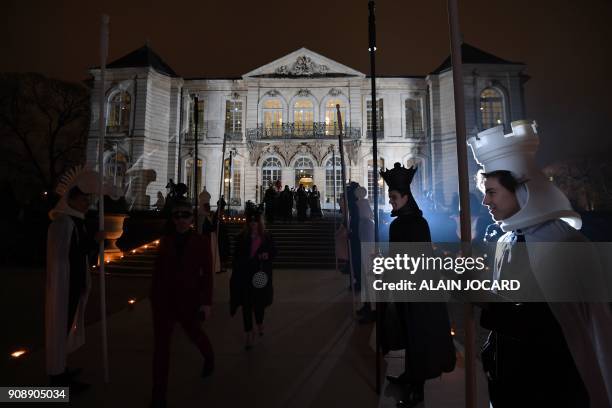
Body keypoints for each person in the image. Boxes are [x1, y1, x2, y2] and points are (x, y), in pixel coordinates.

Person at [468, 121, 612, 407]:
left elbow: (548, 327)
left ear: (522, 191)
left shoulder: (566, 246)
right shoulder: (506, 242)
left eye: (492, 192)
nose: (484, 201)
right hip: (510, 382)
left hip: (551, 387)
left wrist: (484, 299)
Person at [379, 163, 456, 408]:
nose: (391, 202)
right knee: (408, 333)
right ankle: (409, 375)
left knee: (418, 335)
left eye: (393, 198)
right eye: (390, 197)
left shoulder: (415, 224)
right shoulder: (400, 223)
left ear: (405, 197)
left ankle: (417, 389)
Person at [150, 200, 214, 408]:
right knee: (161, 349)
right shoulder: (165, 241)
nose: (180, 220)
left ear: (191, 219)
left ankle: (209, 356)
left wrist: (206, 302)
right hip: (164, 301)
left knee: (195, 334)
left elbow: (207, 275)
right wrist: (154, 297)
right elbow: (158, 273)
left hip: (189, 299)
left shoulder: (201, 241)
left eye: (185, 216)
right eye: (177, 216)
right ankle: (159, 395)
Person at [46, 167, 102, 392]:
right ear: (71, 201)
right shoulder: (63, 223)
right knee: (60, 327)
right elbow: (66, 255)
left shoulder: (74, 222)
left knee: (66, 325)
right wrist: (93, 242)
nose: (87, 203)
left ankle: (61, 367)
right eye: (83, 200)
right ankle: (57, 380)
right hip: (64, 285)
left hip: (72, 283)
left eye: (88, 199)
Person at [230, 208, 277, 350]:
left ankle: (260, 322)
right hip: (245, 276)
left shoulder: (266, 237)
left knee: (259, 304)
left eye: (255, 221)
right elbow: (236, 257)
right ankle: (249, 333)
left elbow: (274, 251)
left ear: (259, 222)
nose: (252, 224)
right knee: (246, 305)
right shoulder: (241, 237)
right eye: (250, 221)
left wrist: (266, 255)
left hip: (260, 276)